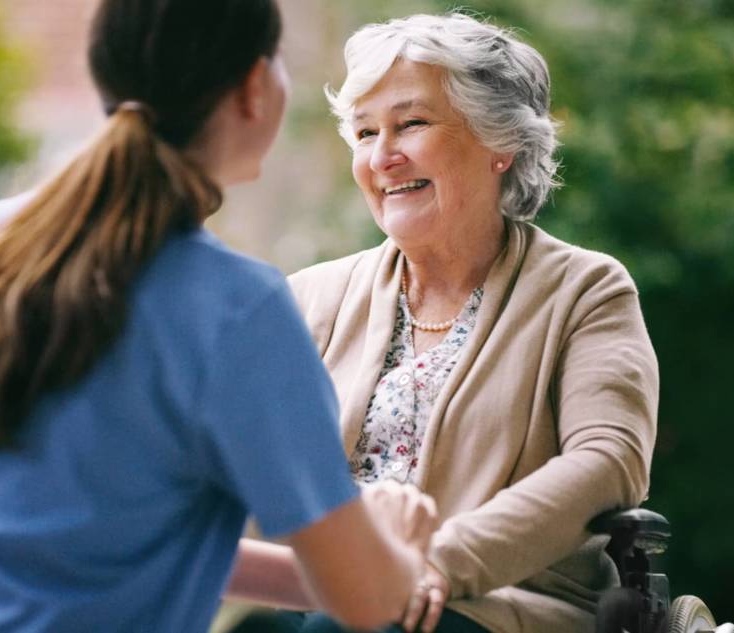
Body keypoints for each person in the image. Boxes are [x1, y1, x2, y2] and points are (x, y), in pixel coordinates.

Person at [0, 1, 439, 632]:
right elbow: (368, 602)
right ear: (255, 88)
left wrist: (329, 570)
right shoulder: (238, 311)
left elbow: (96, 535)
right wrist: (395, 540)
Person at [279, 12, 659, 633]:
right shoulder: (307, 297)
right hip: (313, 595)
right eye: (365, 131)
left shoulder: (585, 290)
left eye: (411, 124)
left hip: (501, 605)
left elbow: (608, 460)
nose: (382, 157)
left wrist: (438, 563)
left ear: (501, 143)